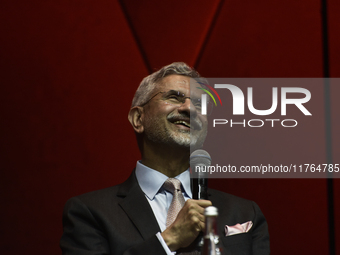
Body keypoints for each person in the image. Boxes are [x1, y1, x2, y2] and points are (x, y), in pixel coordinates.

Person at [60, 62, 270, 255]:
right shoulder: (89, 212)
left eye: (199, 104)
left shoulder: (245, 212)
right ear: (138, 118)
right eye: (174, 97)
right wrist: (168, 240)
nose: (189, 109)